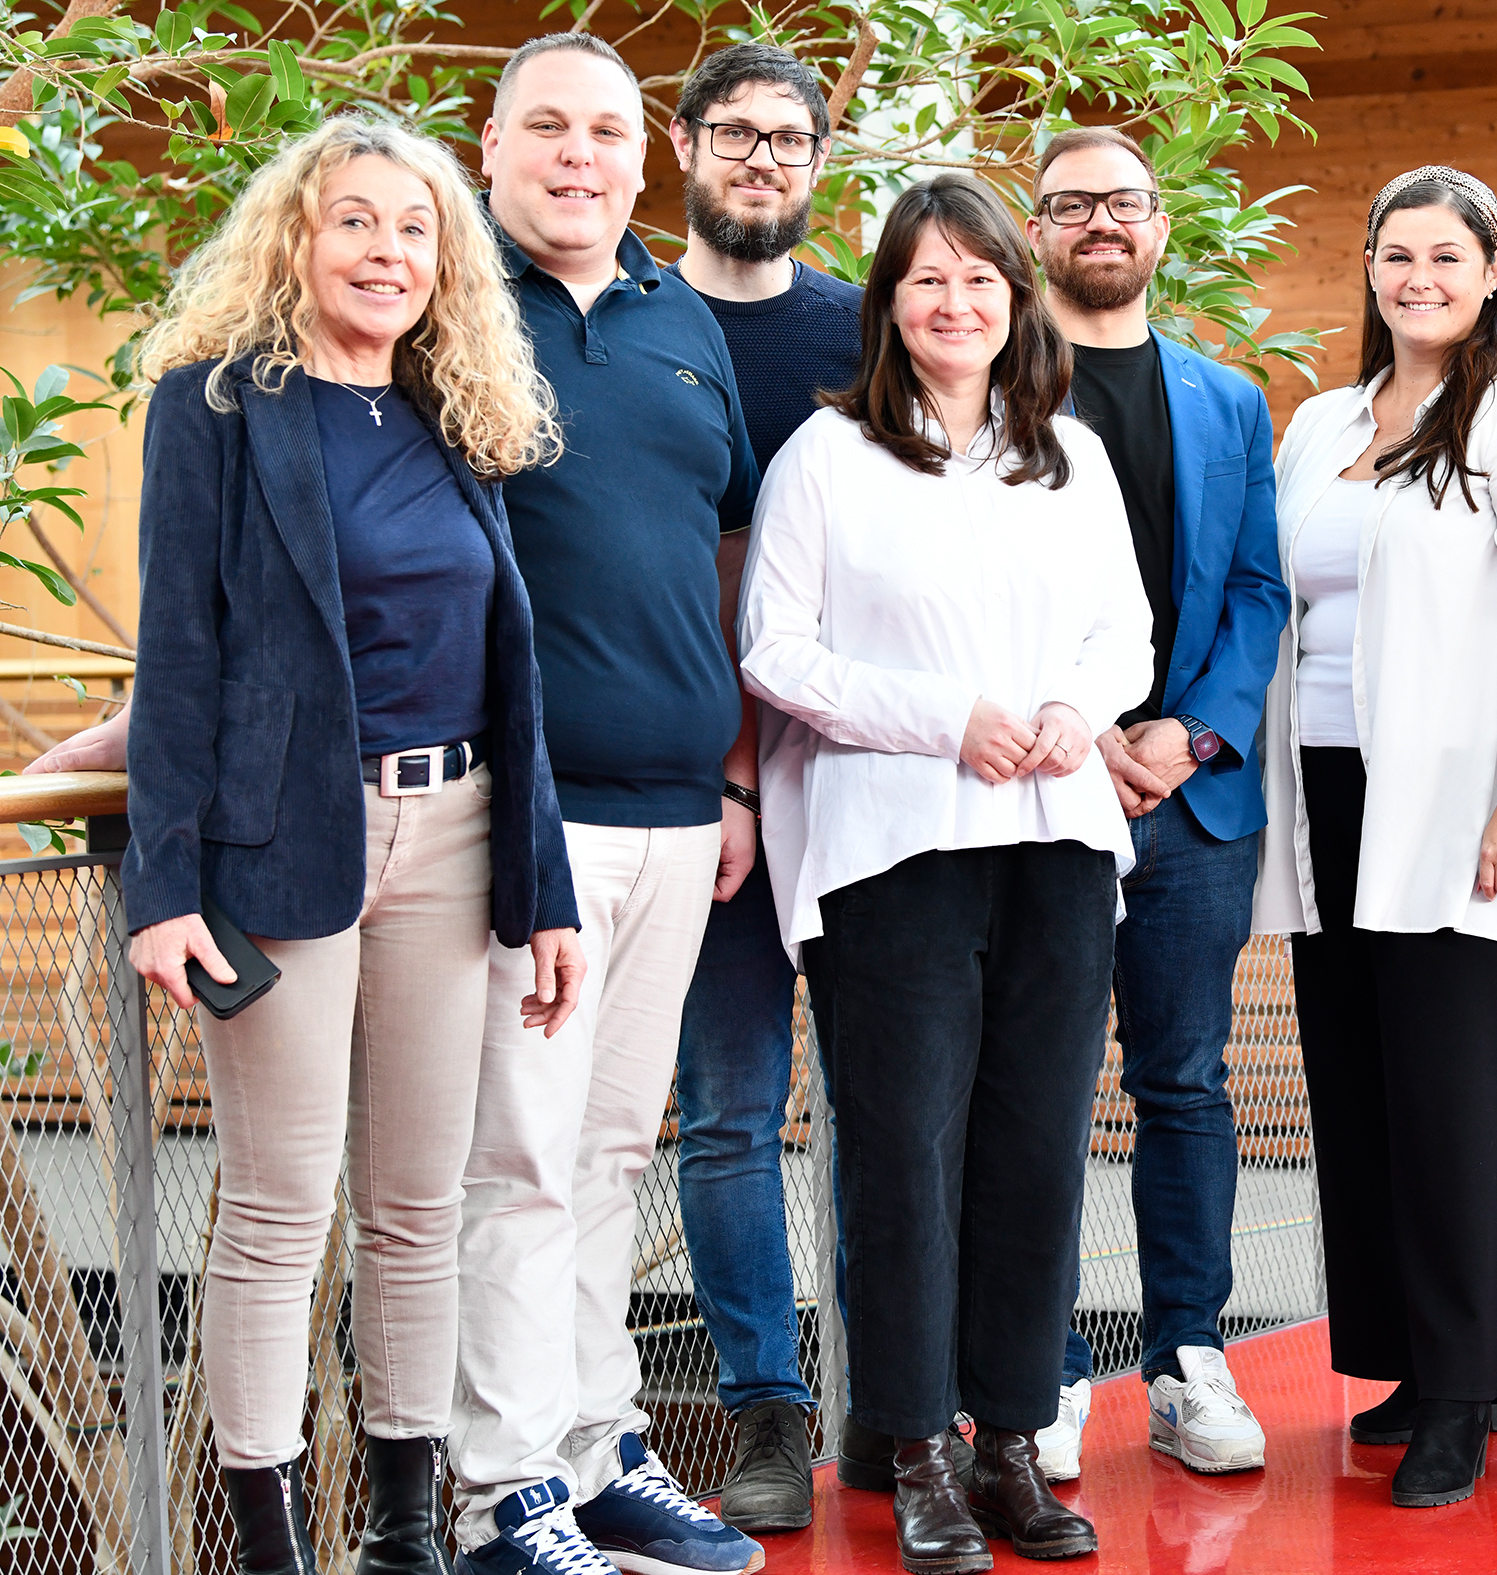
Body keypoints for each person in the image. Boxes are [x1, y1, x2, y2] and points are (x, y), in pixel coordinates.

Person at [117, 114, 584, 1575]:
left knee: (416, 1208)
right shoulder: (213, 408)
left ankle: (404, 1539)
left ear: (446, 260)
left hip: (457, 838)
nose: (388, 252)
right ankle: (271, 1550)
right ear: (297, 241)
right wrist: (161, 885)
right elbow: (178, 658)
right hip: (283, 849)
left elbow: (509, 670)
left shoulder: (458, 417)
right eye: (356, 221)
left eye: (415, 228)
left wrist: (546, 892)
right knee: (276, 1208)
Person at [738, 171, 1150, 1574]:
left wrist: (1074, 709)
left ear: (1015, 299)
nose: (956, 301)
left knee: (1037, 1147)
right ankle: (912, 1444)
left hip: (1054, 842)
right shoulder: (827, 457)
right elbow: (776, 652)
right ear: (890, 303)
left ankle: (1010, 1442)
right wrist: (944, 719)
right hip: (894, 847)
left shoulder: (1068, 456)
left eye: (980, 277)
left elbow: (1123, 631)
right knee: (904, 1154)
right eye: (928, 278)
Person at [449, 34, 766, 1575]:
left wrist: (734, 775)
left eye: (605, 131)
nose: (579, 155)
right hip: (525, 813)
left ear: (645, 159)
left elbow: (721, 547)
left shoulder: (679, 319)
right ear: (491, 144)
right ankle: (498, 1489)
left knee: (609, 1154)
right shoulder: (447, 305)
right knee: (515, 1157)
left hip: (679, 813)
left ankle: (593, 1449)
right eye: (548, 127)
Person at [1251, 165, 1497, 1509]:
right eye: (1398, 254)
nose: (1420, 278)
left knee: (1456, 1102)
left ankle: (1465, 1390)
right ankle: (1424, 1360)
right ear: (1371, 270)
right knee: (1361, 1090)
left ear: (1491, 271)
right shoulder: (1319, 424)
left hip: (1461, 806)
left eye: (1448, 256)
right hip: (1328, 796)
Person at [1021, 125, 1288, 1481]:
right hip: (1041, 791)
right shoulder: (996, 387)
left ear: (1159, 225)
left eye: (1123, 201)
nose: (1101, 224)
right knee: (1043, 1090)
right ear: (1036, 231)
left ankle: (1189, 1357)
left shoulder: (1226, 401)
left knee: (1183, 1082)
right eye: (1072, 205)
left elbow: (1256, 589)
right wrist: (1082, 741)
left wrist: (1190, 735)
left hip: (1189, 803)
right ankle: (1048, 1370)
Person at [660, 39, 864, 1535]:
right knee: (729, 1113)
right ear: (684, 145)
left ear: (817, 160)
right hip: (697, 794)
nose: (760, 160)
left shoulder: (863, 331)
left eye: (787, 139)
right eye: (734, 132)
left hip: (858, 783)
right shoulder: (625, 318)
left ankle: (899, 1398)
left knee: (882, 1106)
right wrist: (725, 774)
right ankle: (767, 1413)